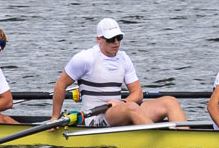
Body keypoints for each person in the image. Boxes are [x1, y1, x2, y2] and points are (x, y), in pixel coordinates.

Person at [51, 18, 185, 128]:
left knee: (170, 101)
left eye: (119, 38)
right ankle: (163, 141)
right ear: (99, 39)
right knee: (132, 107)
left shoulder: (123, 58)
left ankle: (184, 138)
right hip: (96, 118)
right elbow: (60, 85)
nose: (116, 42)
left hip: (121, 110)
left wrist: (123, 102)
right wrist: (55, 118)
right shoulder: (85, 58)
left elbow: (137, 93)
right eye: (111, 39)